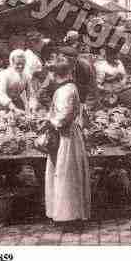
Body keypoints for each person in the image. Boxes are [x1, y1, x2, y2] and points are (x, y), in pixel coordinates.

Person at [45, 53, 91, 232]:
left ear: (56, 74)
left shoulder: (66, 90)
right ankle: (62, 213)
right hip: (66, 135)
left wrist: (51, 122)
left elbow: (64, 116)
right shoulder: (68, 88)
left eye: (51, 73)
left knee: (66, 175)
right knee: (62, 174)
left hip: (66, 137)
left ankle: (69, 216)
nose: (50, 77)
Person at [0, 49, 30, 114]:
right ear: (12, 63)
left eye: (22, 64)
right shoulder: (4, 74)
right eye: (17, 64)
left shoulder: (26, 76)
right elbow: (1, 95)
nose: (20, 66)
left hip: (17, 104)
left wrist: (32, 106)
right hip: (2, 106)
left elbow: (30, 93)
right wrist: (13, 108)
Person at [24, 30, 50, 112]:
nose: (43, 45)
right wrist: (45, 69)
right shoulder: (29, 57)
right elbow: (28, 76)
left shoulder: (33, 53)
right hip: (32, 88)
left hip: (36, 87)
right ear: (34, 44)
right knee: (34, 109)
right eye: (41, 43)